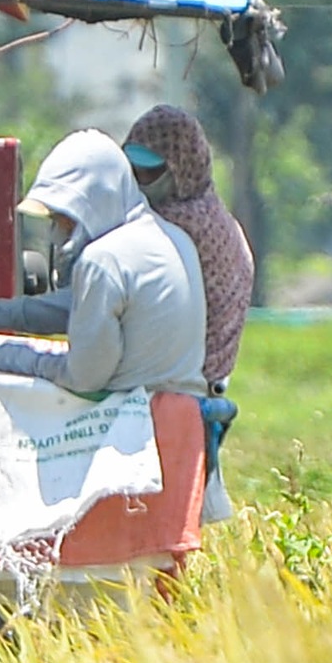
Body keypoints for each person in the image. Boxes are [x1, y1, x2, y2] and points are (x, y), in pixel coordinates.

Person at [0, 129, 204, 399]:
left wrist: (2, 358)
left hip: (134, 422)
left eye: (64, 216)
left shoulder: (104, 260)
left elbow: (84, 377)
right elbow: (72, 308)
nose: (59, 230)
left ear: (93, 203)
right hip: (183, 419)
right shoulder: (172, 239)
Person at [125, 100, 252, 511]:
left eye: (152, 172)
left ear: (182, 169)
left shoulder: (182, 228)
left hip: (186, 385)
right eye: (133, 171)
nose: (141, 182)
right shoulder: (213, 215)